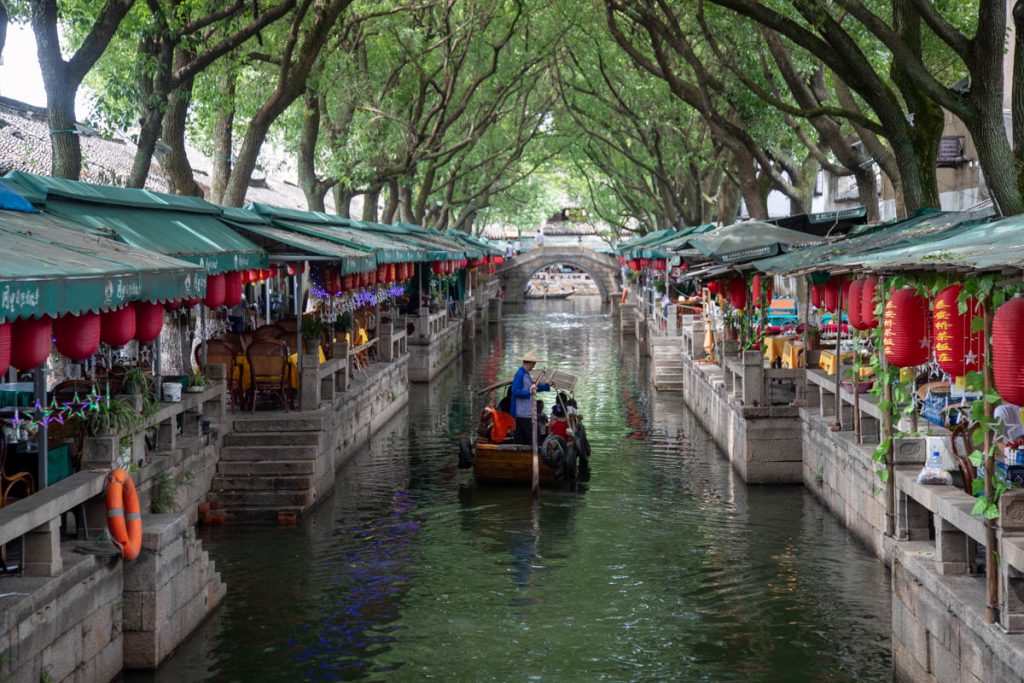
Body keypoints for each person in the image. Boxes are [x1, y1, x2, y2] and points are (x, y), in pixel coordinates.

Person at [510, 352, 550, 444]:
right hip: (523, 414)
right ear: (530, 363)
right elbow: (515, 391)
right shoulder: (520, 374)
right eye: (534, 363)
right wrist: (529, 392)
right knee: (533, 440)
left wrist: (547, 386)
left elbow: (534, 387)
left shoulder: (526, 374)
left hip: (526, 413)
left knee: (524, 440)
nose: (534, 365)